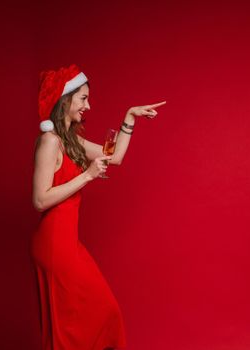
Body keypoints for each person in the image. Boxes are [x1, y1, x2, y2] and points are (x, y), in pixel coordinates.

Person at [31, 64, 166, 349]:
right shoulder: (50, 141)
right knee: (67, 329)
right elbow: (40, 199)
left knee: (103, 313)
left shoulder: (70, 141)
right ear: (65, 99)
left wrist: (130, 116)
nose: (88, 106)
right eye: (83, 98)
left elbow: (114, 157)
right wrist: (88, 175)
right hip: (55, 245)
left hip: (68, 242)